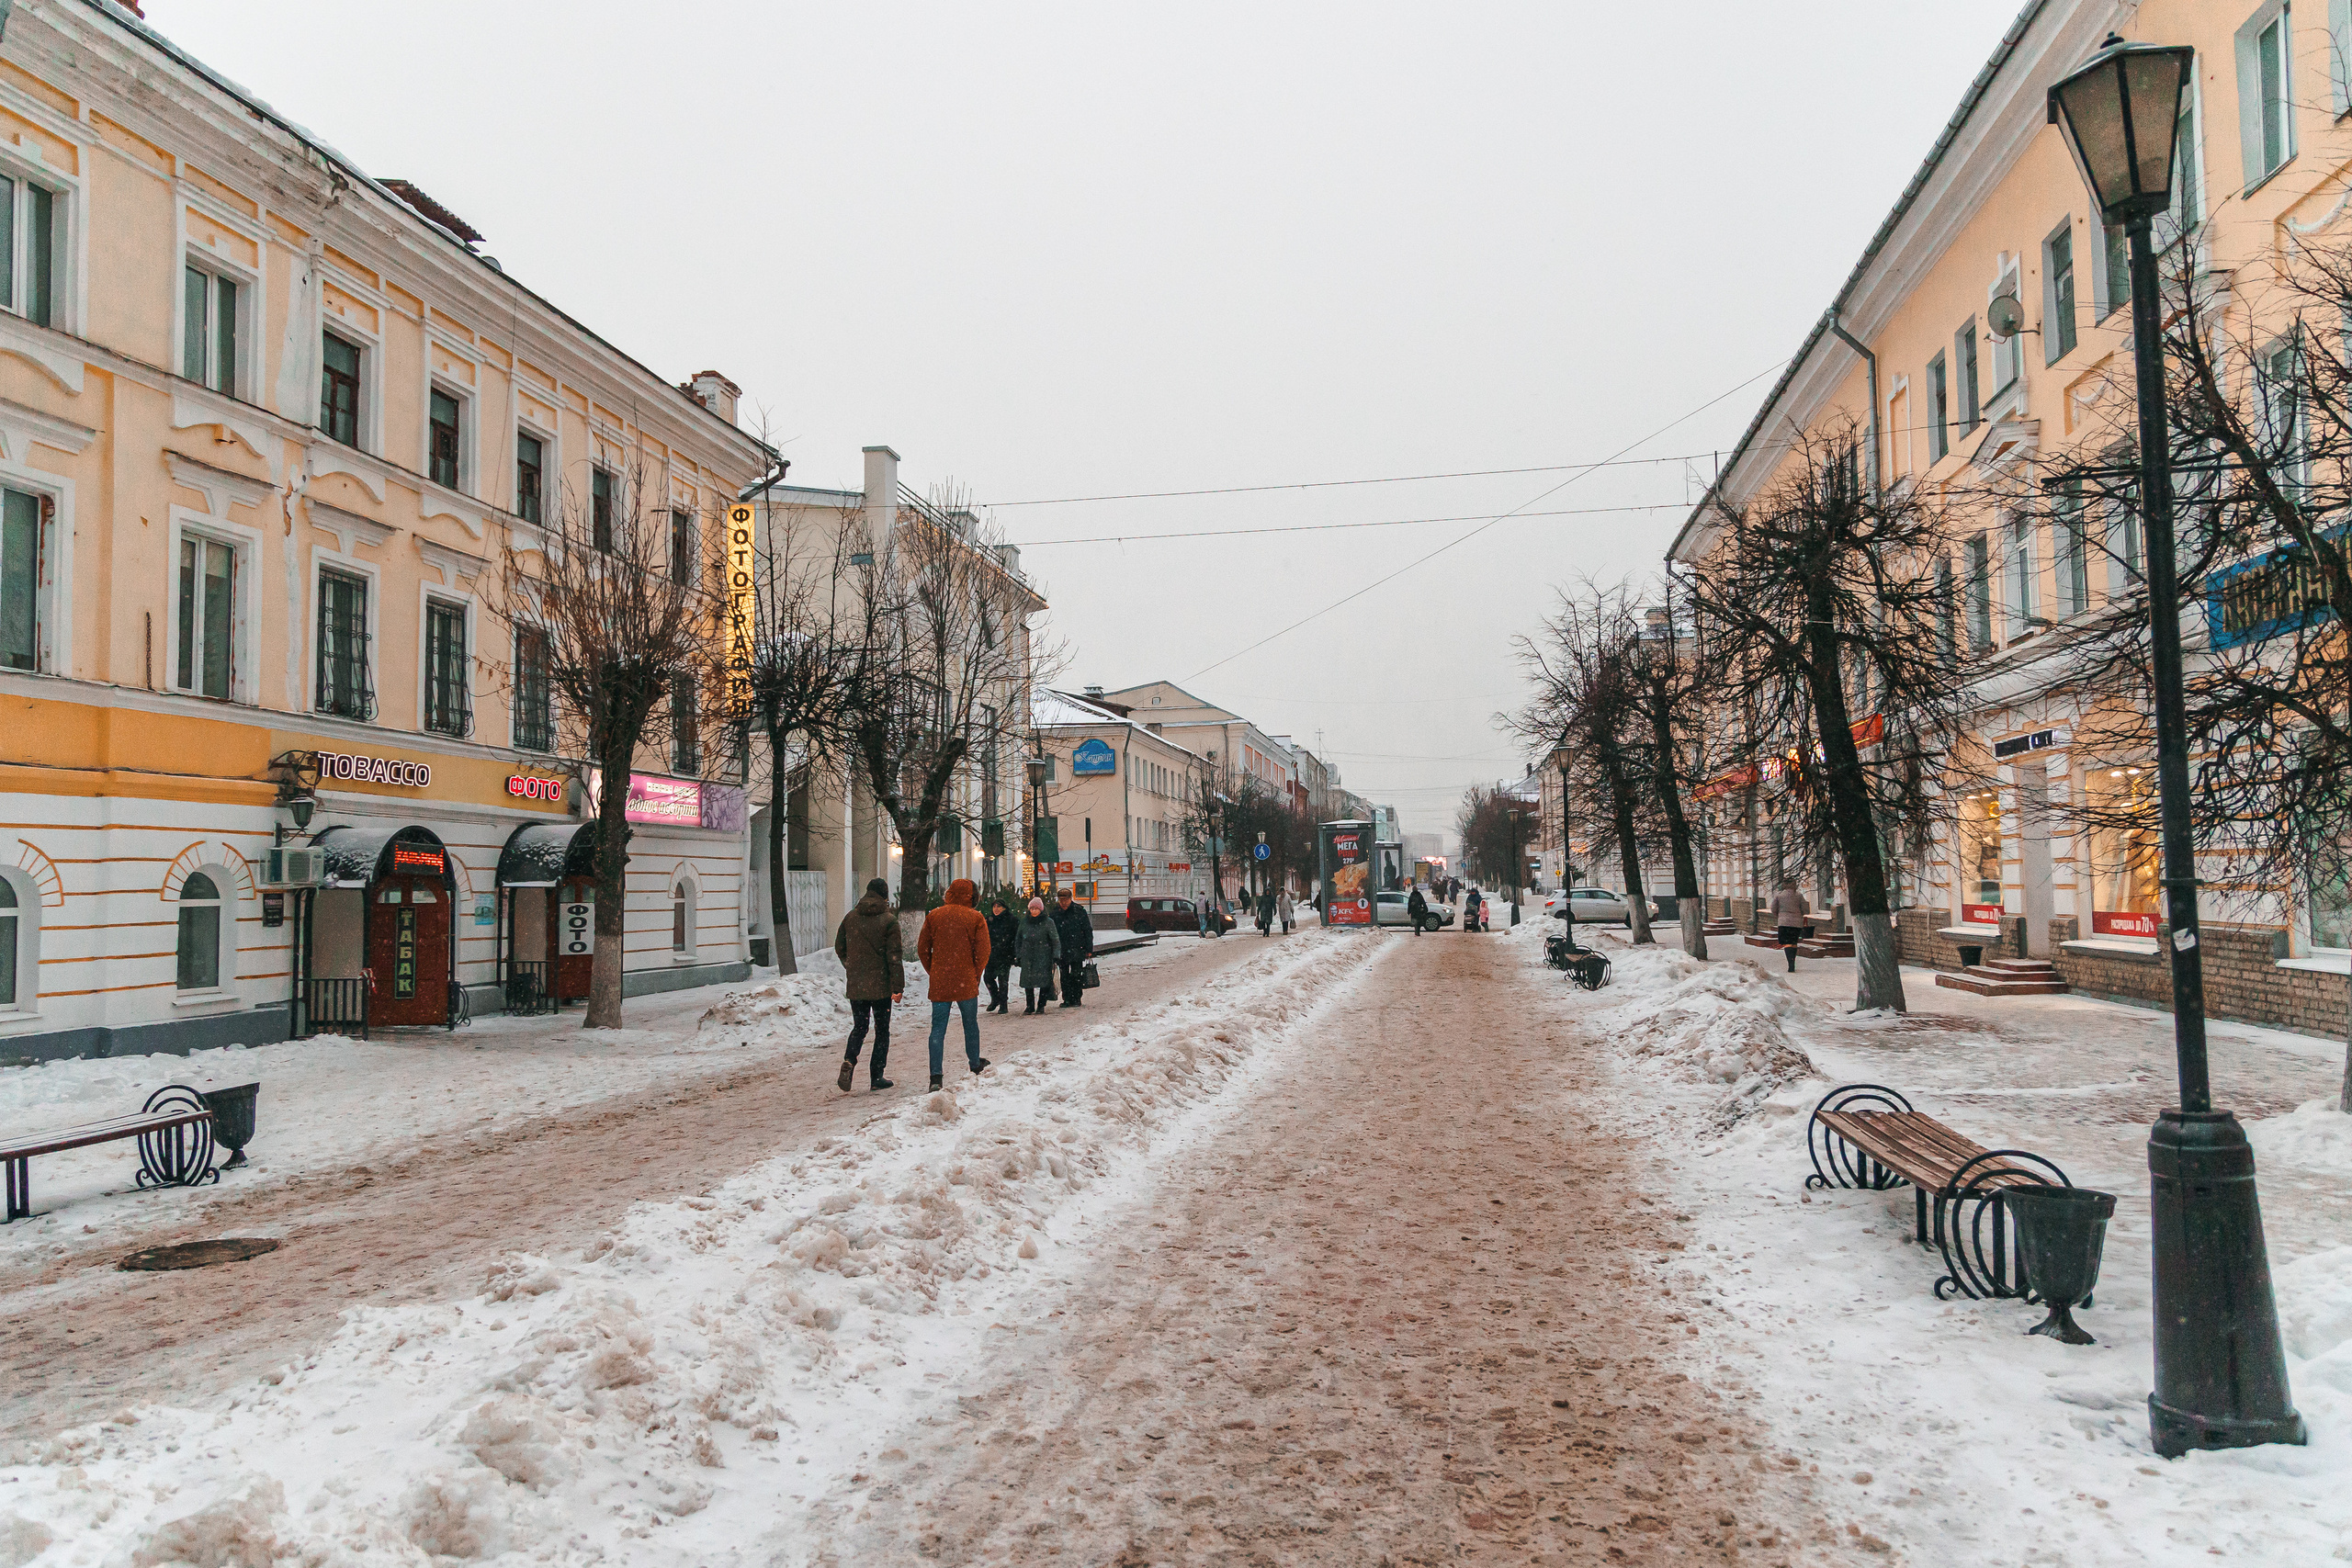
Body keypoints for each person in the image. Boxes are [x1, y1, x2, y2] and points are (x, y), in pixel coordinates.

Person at [916, 877, 991, 1091]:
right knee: (970, 1025)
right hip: (965, 981)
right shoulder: (975, 918)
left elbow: (922, 949)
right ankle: (975, 1064)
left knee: (937, 1029)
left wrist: (934, 970)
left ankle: (936, 1077)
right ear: (972, 897)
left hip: (940, 982)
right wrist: (974, 974)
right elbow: (983, 952)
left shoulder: (934, 916)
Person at [833, 877, 901, 1092]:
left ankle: (849, 1060)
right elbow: (894, 957)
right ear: (885, 895)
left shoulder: (850, 918)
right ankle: (876, 1076)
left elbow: (839, 946)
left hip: (857, 985)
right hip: (881, 986)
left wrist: (851, 965)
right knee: (882, 1030)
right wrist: (897, 986)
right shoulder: (889, 921)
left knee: (860, 1027)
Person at [1050, 886, 1094, 1009]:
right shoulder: (1055, 913)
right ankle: (1067, 998)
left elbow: (1087, 930)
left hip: (1077, 948)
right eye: (1061, 900)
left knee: (1076, 974)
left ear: (1070, 899)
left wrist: (1088, 949)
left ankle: (1076, 998)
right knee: (1064, 975)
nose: (1063, 903)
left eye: (1065, 900)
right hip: (1062, 949)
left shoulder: (1079, 911)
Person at [1017, 896, 1061, 1014]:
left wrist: (1056, 955)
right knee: (1028, 982)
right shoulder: (1025, 922)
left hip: (1044, 956)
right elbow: (1018, 939)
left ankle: (1041, 1005)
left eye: (1036, 909)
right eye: (1031, 909)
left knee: (1044, 982)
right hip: (1028, 956)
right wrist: (1018, 954)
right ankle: (1030, 1005)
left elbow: (1055, 940)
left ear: (1041, 909)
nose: (1033, 911)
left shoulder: (1048, 922)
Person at [983, 893, 1018, 1014]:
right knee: (988, 978)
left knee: (1003, 981)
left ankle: (1003, 1004)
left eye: (999, 907)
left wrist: (1014, 953)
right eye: (994, 907)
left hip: (1005, 955)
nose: (996, 909)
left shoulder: (1011, 920)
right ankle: (995, 998)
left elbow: (1016, 938)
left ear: (1004, 908)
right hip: (991, 955)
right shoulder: (988, 920)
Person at [1770, 879, 1812, 973]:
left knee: (1787, 943)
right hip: (1796, 923)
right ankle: (1793, 961)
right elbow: (1805, 909)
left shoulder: (1779, 895)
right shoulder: (1799, 896)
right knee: (1793, 942)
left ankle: (1790, 963)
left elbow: (1773, 908)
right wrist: (1801, 914)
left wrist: (1779, 915)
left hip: (1783, 922)